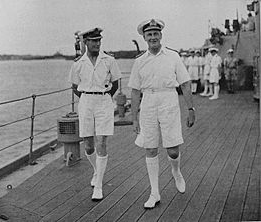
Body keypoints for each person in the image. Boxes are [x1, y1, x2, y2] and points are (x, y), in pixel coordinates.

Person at [128, 19, 195, 209]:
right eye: (149, 34)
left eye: (156, 33)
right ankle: (154, 193)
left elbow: (185, 83)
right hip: (148, 102)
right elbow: (134, 91)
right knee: (150, 148)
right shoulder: (139, 61)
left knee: (172, 149)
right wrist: (133, 118)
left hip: (169, 101)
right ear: (144, 38)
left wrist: (191, 109)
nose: (153, 37)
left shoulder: (173, 56)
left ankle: (176, 171)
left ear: (161, 35)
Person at [68, 27, 122, 200]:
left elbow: (115, 83)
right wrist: (88, 96)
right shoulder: (78, 63)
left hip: (104, 101)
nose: (97, 43)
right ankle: (96, 171)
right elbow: (75, 87)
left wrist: (104, 97)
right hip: (86, 102)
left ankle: (98, 186)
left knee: (101, 142)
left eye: (99, 40)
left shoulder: (109, 60)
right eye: (93, 41)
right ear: (86, 42)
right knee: (89, 145)